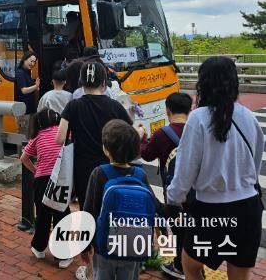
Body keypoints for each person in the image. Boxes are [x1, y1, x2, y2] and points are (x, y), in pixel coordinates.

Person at [167, 56, 264, 280]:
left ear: (203, 84)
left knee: (190, 266)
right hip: (247, 208)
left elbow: (185, 170)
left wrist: (173, 198)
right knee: (239, 275)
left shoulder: (198, 118)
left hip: (210, 211)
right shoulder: (249, 117)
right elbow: (255, 163)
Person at [78, 120, 161, 280]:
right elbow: (155, 205)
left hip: (105, 245)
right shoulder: (140, 174)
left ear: (106, 149)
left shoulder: (99, 173)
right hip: (134, 245)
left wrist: (85, 246)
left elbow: (88, 212)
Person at [56, 60, 132, 209]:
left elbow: (59, 139)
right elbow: (129, 133)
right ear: (104, 83)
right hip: (111, 166)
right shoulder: (115, 106)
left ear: (81, 83)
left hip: (82, 168)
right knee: (109, 207)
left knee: (87, 208)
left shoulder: (73, 106)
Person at [137, 92, 193, 279]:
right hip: (196, 192)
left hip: (173, 192)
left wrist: (142, 138)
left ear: (168, 110)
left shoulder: (162, 134)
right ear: (189, 109)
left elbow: (147, 155)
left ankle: (179, 266)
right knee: (194, 227)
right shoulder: (196, 130)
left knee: (177, 228)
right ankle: (194, 265)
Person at [20, 109, 73, 269]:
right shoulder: (64, 133)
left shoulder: (38, 135)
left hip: (41, 180)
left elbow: (24, 157)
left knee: (43, 216)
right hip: (60, 179)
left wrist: (36, 170)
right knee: (61, 215)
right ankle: (63, 256)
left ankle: (39, 248)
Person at [14, 51, 39, 115]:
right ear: (24, 59)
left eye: (34, 62)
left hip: (29, 108)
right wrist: (36, 86)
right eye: (31, 61)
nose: (33, 64)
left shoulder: (27, 71)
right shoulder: (20, 72)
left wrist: (35, 86)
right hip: (23, 110)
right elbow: (24, 91)